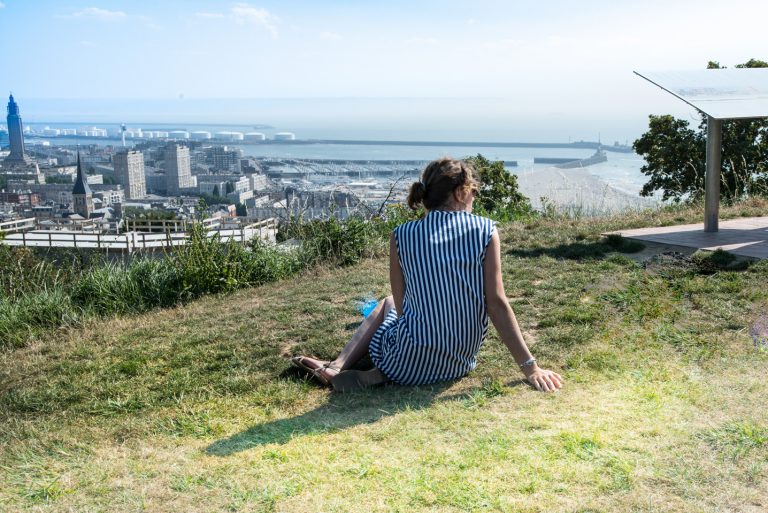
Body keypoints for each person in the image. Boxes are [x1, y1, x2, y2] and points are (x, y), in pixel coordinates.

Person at [292, 157, 564, 393]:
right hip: (457, 364)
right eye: (472, 192)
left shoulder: (401, 235)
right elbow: (496, 303)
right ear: (459, 193)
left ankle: (339, 366)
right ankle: (373, 372)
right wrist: (531, 368)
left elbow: (400, 307)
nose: (473, 198)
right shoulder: (485, 230)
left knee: (386, 303)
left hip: (405, 363)